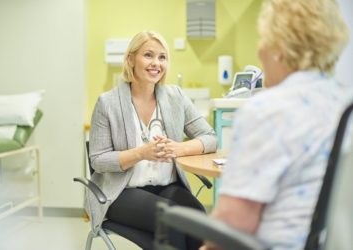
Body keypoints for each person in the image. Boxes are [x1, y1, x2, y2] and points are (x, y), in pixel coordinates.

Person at [202, 0, 351, 249]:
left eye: (262, 39)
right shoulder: (346, 102)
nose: (259, 51)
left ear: (278, 47)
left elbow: (232, 226)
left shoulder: (266, 110)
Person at [88, 30, 217, 249]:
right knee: (172, 222)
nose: (156, 63)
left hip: (166, 186)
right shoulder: (107, 103)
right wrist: (141, 153)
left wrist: (179, 148)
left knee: (198, 219)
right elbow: (98, 160)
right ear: (131, 59)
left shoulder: (176, 98)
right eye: (148, 55)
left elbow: (211, 138)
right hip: (122, 192)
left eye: (162, 57)